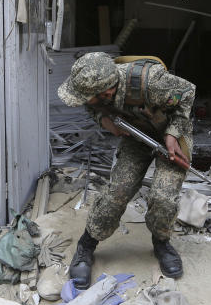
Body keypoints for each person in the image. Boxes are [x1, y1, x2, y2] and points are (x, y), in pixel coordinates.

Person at [57, 52, 196, 289]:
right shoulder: (97, 96)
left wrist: (173, 134)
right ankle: (87, 245)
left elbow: (187, 92)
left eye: (88, 98)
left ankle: (161, 242)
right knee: (116, 193)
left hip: (171, 135)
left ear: (107, 91)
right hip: (136, 136)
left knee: (163, 197)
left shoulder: (151, 81)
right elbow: (93, 108)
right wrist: (104, 120)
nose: (85, 102)